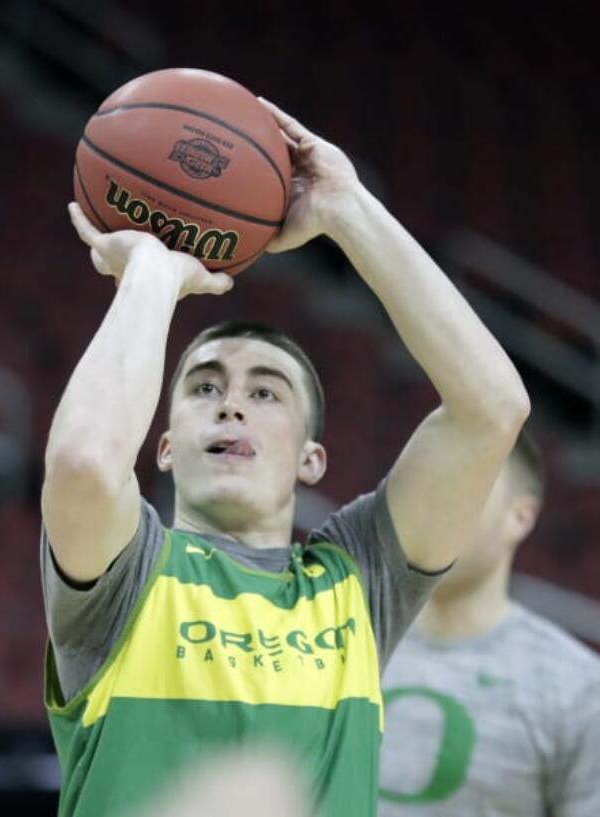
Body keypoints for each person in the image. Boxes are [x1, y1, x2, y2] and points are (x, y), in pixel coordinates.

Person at [40, 97, 530, 817]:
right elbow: (84, 462)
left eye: (265, 392)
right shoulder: (128, 577)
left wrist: (347, 208)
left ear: (312, 459)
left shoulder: (359, 582)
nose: (231, 403)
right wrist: (152, 272)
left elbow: (493, 407)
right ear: (165, 446)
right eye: (205, 386)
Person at [379, 430, 600, 816]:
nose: (432, 508)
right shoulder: (333, 642)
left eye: (461, 487)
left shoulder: (579, 689)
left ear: (520, 517)